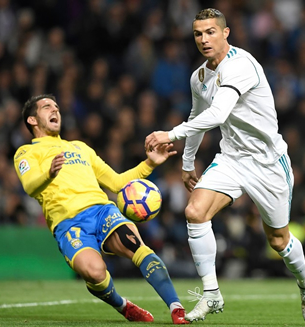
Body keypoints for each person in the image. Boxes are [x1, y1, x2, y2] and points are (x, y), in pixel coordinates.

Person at [145, 8, 305, 323]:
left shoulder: (241, 65)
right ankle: (211, 294)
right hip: (232, 158)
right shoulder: (199, 77)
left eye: (211, 32)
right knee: (194, 212)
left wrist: (168, 135)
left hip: (268, 163)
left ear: (226, 33)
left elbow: (216, 115)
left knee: (278, 240)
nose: (204, 39)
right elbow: (196, 121)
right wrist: (186, 163)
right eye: (198, 34)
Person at [13, 94, 189, 324]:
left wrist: (150, 164)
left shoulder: (80, 148)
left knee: (135, 246)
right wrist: (49, 173)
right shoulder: (25, 153)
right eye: (47, 107)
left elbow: (116, 183)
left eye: (57, 106)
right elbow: (29, 185)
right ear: (32, 120)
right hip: (69, 224)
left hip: (101, 210)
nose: (55, 110)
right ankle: (123, 305)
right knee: (94, 273)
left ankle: (176, 307)